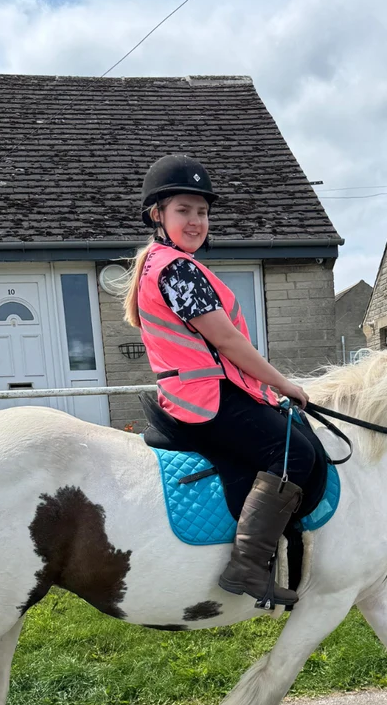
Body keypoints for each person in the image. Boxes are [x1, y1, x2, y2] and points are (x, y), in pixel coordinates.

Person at [123, 154, 323, 609]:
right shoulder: (176, 269)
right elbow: (228, 341)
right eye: (184, 211)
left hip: (197, 392)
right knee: (295, 450)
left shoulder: (161, 264)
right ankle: (247, 566)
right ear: (158, 215)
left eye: (202, 212)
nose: (196, 221)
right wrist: (283, 384)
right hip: (203, 398)